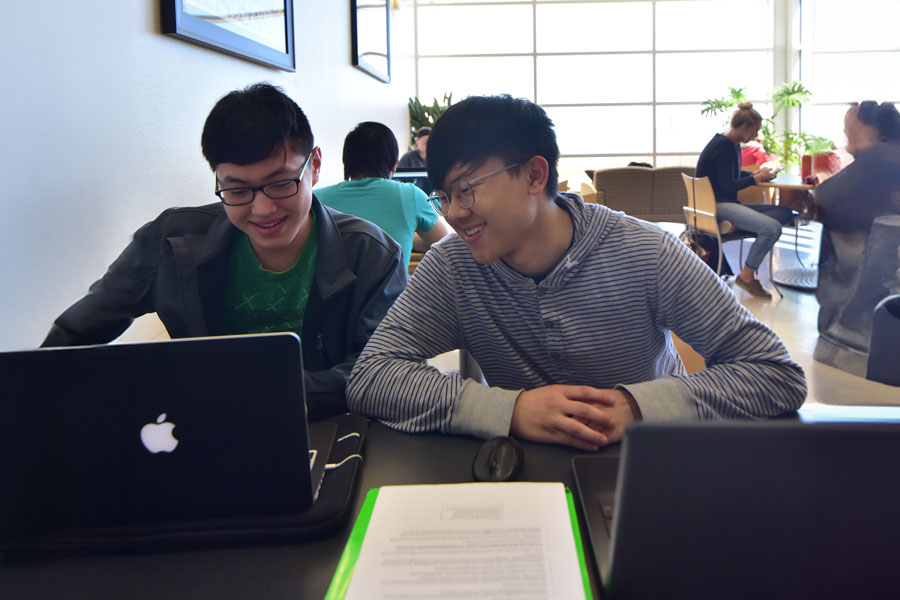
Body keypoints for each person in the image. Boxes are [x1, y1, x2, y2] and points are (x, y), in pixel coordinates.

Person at [346, 95, 807, 451]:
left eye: (465, 190)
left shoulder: (645, 253)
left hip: (646, 467)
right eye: (444, 196)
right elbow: (372, 377)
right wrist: (508, 410)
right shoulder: (453, 267)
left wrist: (640, 407)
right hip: (526, 477)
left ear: (534, 175)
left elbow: (775, 374)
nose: (455, 213)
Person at [41, 83, 407, 420]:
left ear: (314, 166)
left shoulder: (373, 255)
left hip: (329, 435)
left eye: (280, 184)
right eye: (237, 190)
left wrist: (256, 396)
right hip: (197, 438)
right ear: (217, 179)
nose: (262, 210)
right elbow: (73, 338)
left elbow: (380, 370)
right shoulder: (171, 241)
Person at [813, 101, 900, 356]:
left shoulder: (877, 158)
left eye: (850, 128)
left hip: (860, 321)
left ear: (869, 130)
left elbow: (823, 198)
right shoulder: (888, 156)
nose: (846, 134)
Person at [315, 121, 450, 268]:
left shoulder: (315, 200)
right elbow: (447, 244)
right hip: (395, 291)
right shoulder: (410, 196)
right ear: (394, 163)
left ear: (346, 162)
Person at [695, 102, 795, 298]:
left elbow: (728, 175)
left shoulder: (729, 143)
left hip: (723, 203)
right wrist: (755, 178)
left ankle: (752, 227)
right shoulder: (724, 146)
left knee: (785, 213)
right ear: (744, 127)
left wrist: (756, 174)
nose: (756, 135)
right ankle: (747, 275)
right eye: (755, 130)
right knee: (772, 228)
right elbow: (728, 185)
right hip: (717, 206)